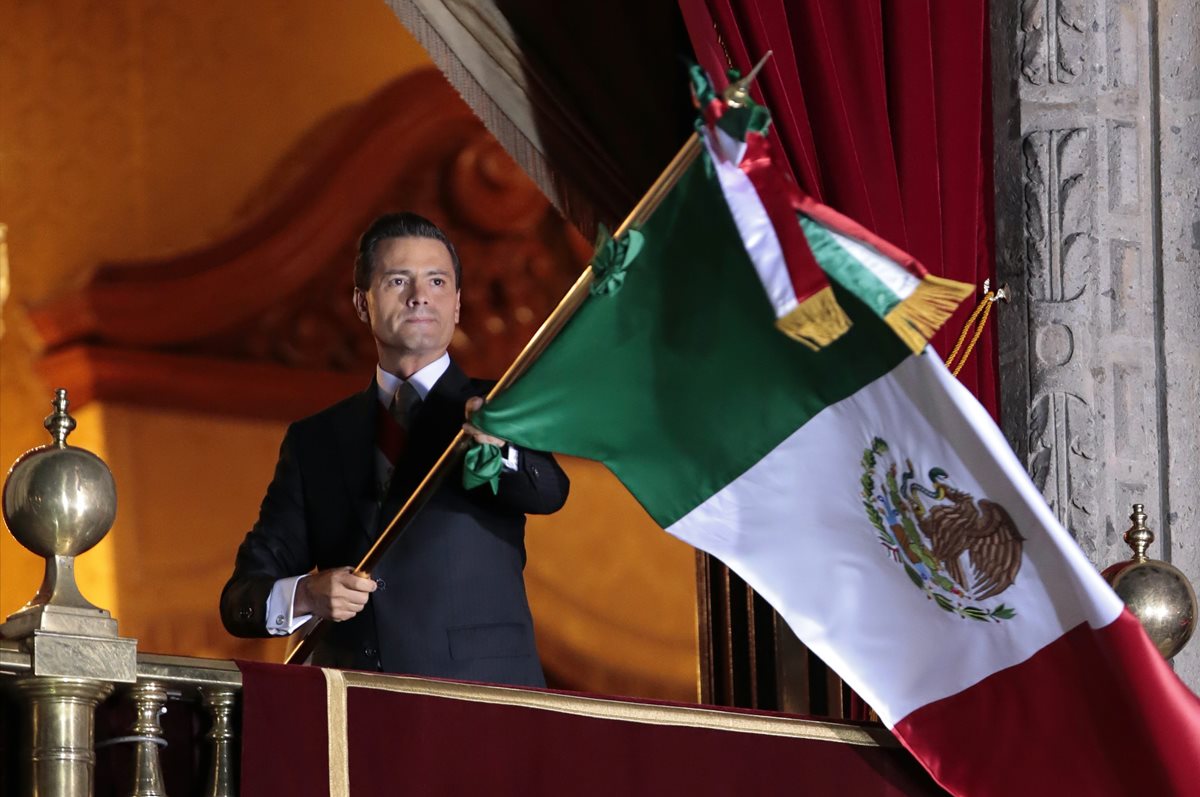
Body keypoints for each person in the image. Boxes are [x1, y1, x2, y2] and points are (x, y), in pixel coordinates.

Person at [220, 212, 569, 687]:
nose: (419, 295)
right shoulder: (315, 440)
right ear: (363, 304)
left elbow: (548, 491)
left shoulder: (501, 404)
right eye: (398, 279)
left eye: (437, 280)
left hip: (483, 700)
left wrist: (500, 444)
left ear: (458, 304)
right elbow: (241, 597)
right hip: (356, 704)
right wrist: (307, 596)